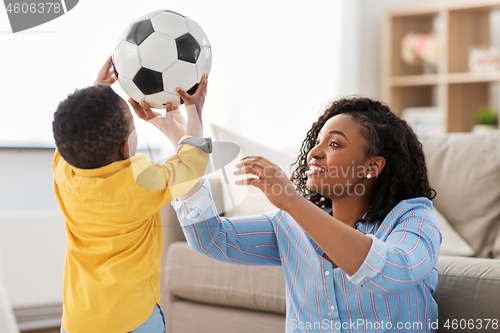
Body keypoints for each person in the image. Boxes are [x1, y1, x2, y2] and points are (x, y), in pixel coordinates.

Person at [172, 97, 442, 332]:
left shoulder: (413, 220)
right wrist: (186, 146)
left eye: (334, 144)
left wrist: (292, 201)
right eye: (317, 142)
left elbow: (390, 273)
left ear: (372, 166)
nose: (314, 153)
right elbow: (210, 238)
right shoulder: (290, 225)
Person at [52, 56, 212, 333]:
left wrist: (97, 90)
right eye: (132, 127)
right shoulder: (139, 182)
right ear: (126, 148)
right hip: (133, 320)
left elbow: (78, 130)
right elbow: (191, 163)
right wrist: (194, 112)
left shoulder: (65, 173)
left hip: (79, 320)